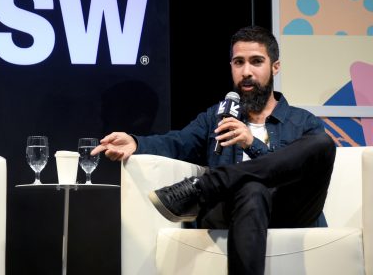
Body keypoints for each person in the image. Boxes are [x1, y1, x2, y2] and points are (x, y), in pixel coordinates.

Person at [92, 25, 336, 274]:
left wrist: (252, 144)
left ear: (275, 66)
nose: (246, 71)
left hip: (291, 208)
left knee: (323, 143)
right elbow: (178, 142)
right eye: (238, 62)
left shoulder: (303, 121)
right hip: (234, 208)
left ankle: (206, 185)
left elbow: (304, 175)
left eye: (256, 61)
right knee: (252, 189)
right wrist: (137, 143)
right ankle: (215, 185)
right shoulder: (216, 117)